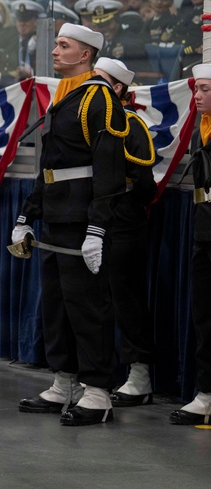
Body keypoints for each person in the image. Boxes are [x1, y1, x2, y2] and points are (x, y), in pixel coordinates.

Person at [12, 23, 127, 426]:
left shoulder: (99, 100)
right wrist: (27, 216)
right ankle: (65, 380)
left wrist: (98, 227)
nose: (55, 51)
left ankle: (97, 391)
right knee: (57, 305)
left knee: (87, 306)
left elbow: (109, 170)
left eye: (64, 46)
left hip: (81, 220)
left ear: (86, 55)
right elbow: (50, 166)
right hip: (57, 216)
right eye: (56, 44)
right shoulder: (64, 97)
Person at [91, 58, 158, 407]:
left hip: (123, 222)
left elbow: (145, 183)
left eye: (100, 82)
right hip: (93, 220)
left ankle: (139, 372)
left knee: (125, 297)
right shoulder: (90, 119)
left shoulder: (130, 124)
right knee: (96, 300)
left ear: (117, 88)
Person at [172, 64, 211, 424]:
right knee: (204, 315)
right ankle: (206, 392)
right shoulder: (203, 129)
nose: (196, 96)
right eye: (196, 89)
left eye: (204, 89)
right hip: (205, 229)